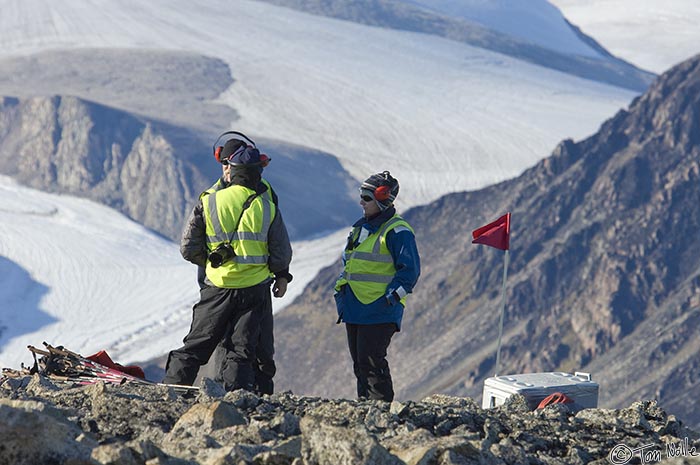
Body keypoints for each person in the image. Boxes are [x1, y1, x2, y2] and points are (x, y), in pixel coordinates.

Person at [163, 133, 292, 393]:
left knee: (197, 345)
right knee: (242, 350)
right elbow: (280, 247)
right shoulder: (267, 204)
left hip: (218, 286)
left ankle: (170, 393)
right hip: (255, 288)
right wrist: (281, 275)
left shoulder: (209, 200)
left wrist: (212, 264)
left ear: (232, 169)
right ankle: (239, 400)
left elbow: (188, 247)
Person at [334, 171, 420, 401]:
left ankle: (380, 413)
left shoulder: (397, 231)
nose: (361, 202)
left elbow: (410, 272)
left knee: (372, 361)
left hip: (379, 309)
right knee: (361, 364)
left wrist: (391, 299)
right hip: (355, 307)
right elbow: (349, 262)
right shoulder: (360, 228)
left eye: (366, 197)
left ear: (383, 199)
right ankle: (365, 408)